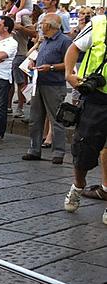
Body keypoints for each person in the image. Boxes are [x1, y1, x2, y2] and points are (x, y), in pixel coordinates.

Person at [63, 13, 107, 226]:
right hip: (97, 97)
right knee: (83, 151)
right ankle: (78, 185)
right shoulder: (99, 24)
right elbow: (73, 48)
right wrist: (69, 74)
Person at [22, 14, 70, 163]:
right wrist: (32, 64)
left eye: (42, 23)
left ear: (49, 26)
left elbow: (69, 65)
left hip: (54, 85)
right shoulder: (44, 41)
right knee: (35, 118)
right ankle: (34, 149)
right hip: (39, 83)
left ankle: (58, 152)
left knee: (56, 119)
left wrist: (51, 67)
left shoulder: (65, 41)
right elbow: (35, 56)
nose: (40, 26)